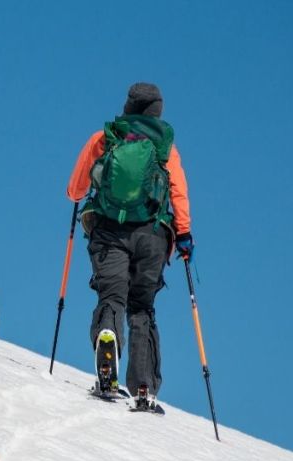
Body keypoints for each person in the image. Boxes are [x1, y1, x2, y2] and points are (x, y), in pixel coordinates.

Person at [65, 82, 193, 409]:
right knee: (142, 306)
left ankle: (107, 337)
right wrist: (183, 234)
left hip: (109, 231)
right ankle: (144, 386)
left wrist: (80, 195)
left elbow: (75, 189)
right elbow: (178, 193)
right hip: (153, 235)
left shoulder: (106, 137)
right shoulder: (166, 148)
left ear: (128, 107)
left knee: (112, 296)